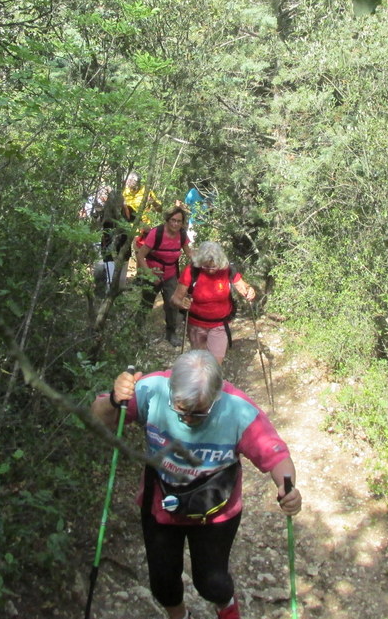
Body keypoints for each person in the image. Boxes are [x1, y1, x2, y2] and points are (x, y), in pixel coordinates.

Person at [90, 350, 302, 619]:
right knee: (163, 583)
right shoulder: (151, 389)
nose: (187, 419)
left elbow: (277, 456)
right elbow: (99, 418)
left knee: (212, 583)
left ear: (217, 395)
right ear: (171, 387)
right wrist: (113, 398)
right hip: (161, 503)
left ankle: (225, 606)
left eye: (198, 413)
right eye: (180, 409)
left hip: (216, 509)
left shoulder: (238, 410)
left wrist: (288, 488)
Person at [171, 242, 256, 366]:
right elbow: (175, 299)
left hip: (220, 325)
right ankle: (200, 385)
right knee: (199, 364)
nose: (211, 270)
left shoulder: (227, 270)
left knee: (215, 366)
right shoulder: (192, 271)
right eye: (206, 266)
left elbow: (243, 286)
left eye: (214, 266)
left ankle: (213, 384)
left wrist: (249, 291)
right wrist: (181, 303)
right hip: (196, 325)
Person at [138, 207, 193, 344]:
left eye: (179, 221)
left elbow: (189, 253)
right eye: (173, 220)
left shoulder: (181, 235)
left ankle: (171, 333)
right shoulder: (156, 233)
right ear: (167, 220)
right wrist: (150, 275)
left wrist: (204, 262)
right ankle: (137, 331)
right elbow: (140, 255)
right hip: (153, 272)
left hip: (171, 273)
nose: (175, 224)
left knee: (172, 303)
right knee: (146, 303)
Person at [122, 171, 161, 239]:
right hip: (127, 228)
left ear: (138, 182)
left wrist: (153, 202)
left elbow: (160, 209)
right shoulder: (123, 192)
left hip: (144, 228)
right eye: (129, 181)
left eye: (133, 181)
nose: (130, 183)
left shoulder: (146, 191)